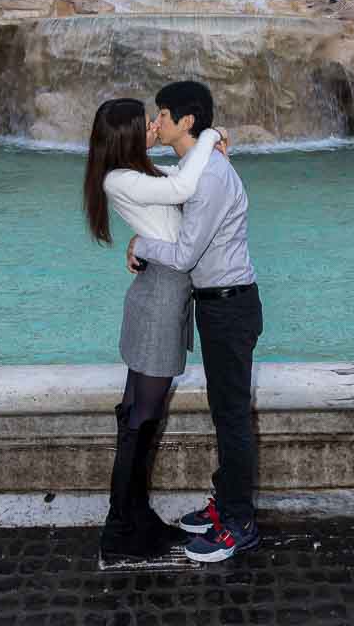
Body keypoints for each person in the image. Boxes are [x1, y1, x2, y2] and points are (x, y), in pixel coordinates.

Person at [83, 97, 224, 564]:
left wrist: (138, 242)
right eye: (145, 122)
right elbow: (184, 188)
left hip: (159, 294)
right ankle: (120, 528)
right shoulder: (121, 178)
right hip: (159, 301)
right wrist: (207, 135)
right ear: (125, 135)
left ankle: (133, 517)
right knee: (141, 420)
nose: (153, 125)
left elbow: (170, 207)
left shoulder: (135, 175)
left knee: (139, 416)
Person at [128, 80, 263, 564]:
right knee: (224, 410)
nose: (155, 122)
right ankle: (225, 504)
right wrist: (132, 151)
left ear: (186, 121)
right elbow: (161, 184)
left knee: (231, 416)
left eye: (161, 115)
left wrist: (141, 246)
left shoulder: (207, 176)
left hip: (229, 306)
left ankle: (239, 522)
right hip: (219, 304)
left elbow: (184, 255)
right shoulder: (195, 165)